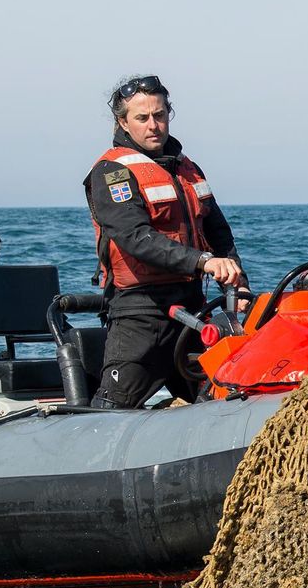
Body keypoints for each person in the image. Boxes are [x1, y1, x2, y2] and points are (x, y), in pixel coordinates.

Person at [85, 75, 247, 409]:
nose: (154, 125)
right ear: (123, 122)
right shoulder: (111, 172)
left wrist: (239, 287)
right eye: (142, 118)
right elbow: (136, 238)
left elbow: (219, 234)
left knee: (226, 393)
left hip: (192, 310)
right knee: (113, 409)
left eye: (160, 115)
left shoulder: (189, 170)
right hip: (140, 315)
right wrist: (203, 262)